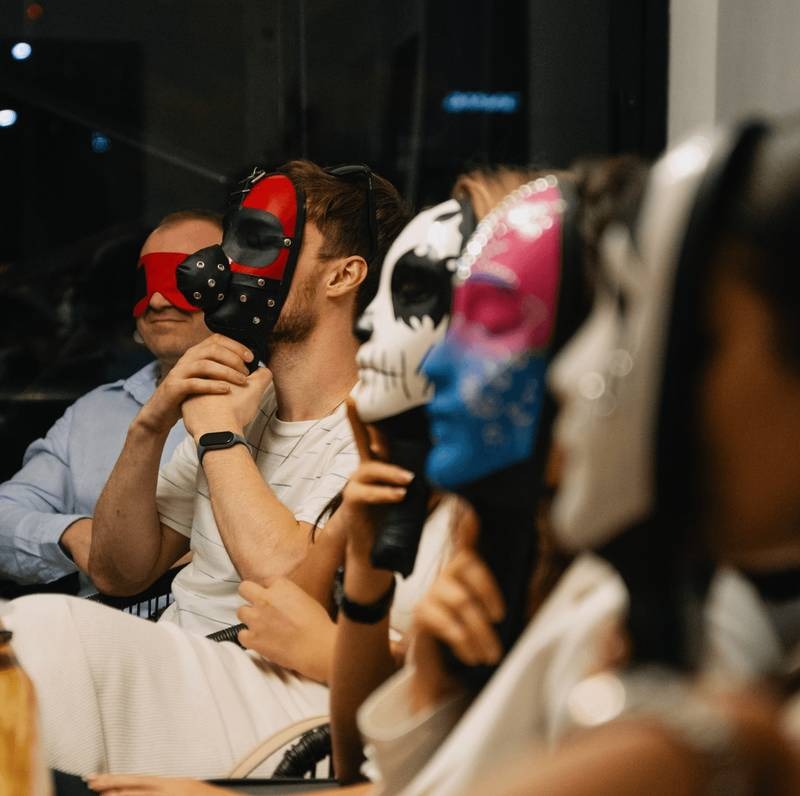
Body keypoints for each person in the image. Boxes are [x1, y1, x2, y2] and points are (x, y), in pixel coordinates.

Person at [0, 160, 409, 779]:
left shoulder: (377, 423)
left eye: (264, 247)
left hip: (273, 692)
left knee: (35, 632)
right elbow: (119, 570)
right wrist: (152, 425)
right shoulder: (248, 403)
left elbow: (286, 587)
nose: (233, 269)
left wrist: (217, 433)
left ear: (345, 275)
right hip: (177, 660)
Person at [0, 210, 221, 590]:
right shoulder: (92, 413)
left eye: (183, 278)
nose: (156, 301)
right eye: (145, 282)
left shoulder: (282, 404)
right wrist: (74, 533)